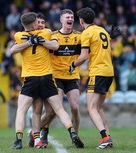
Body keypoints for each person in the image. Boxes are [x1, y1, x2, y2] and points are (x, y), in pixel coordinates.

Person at [8, 12, 84, 149]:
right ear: (34, 24)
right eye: (38, 22)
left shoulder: (19, 36)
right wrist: (34, 41)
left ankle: (18, 140)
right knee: (54, 109)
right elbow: (55, 46)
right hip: (47, 77)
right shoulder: (47, 32)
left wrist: (29, 42)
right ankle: (67, 133)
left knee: (23, 110)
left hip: (31, 79)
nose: (40, 24)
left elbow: (12, 50)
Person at [30, 9, 82, 146]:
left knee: (75, 107)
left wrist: (109, 37)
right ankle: (40, 132)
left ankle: (75, 136)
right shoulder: (52, 35)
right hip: (56, 78)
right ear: (61, 20)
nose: (70, 18)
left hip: (72, 77)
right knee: (52, 111)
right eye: (67, 17)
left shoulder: (79, 36)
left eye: (72, 17)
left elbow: (94, 40)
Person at [69, 7, 114, 149]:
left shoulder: (86, 33)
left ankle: (105, 138)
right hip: (109, 72)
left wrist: (73, 64)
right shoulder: (103, 31)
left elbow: (83, 57)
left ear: (81, 21)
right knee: (98, 108)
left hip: (98, 72)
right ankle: (109, 138)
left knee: (91, 108)